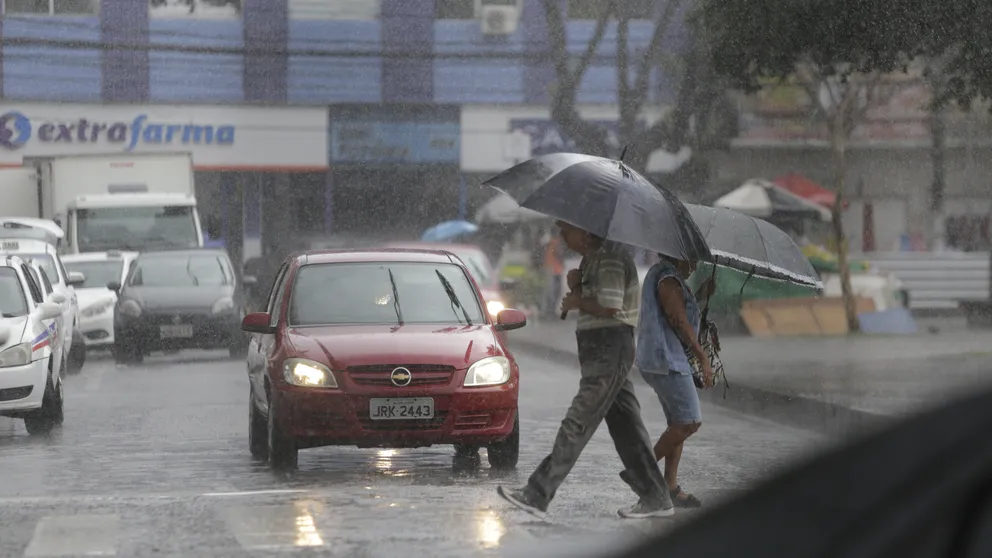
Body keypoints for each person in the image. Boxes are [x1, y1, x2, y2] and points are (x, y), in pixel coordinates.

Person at [497, 221, 674, 519]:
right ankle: (656, 497)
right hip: (600, 349)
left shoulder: (610, 258)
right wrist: (578, 286)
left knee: (579, 420)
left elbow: (610, 306)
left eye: (566, 230)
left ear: (586, 231)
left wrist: (579, 298)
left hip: (610, 348)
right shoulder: (594, 259)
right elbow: (596, 301)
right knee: (627, 429)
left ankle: (537, 493)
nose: (562, 236)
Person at [632, 254, 715, 509]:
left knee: (678, 422)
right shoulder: (667, 278)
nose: (695, 265)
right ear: (680, 256)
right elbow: (677, 319)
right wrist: (703, 357)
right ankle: (641, 471)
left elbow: (678, 310)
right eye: (692, 259)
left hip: (666, 358)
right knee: (690, 421)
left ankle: (669, 486)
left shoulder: (670, 277)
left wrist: (701, 295)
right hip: (666, 359)